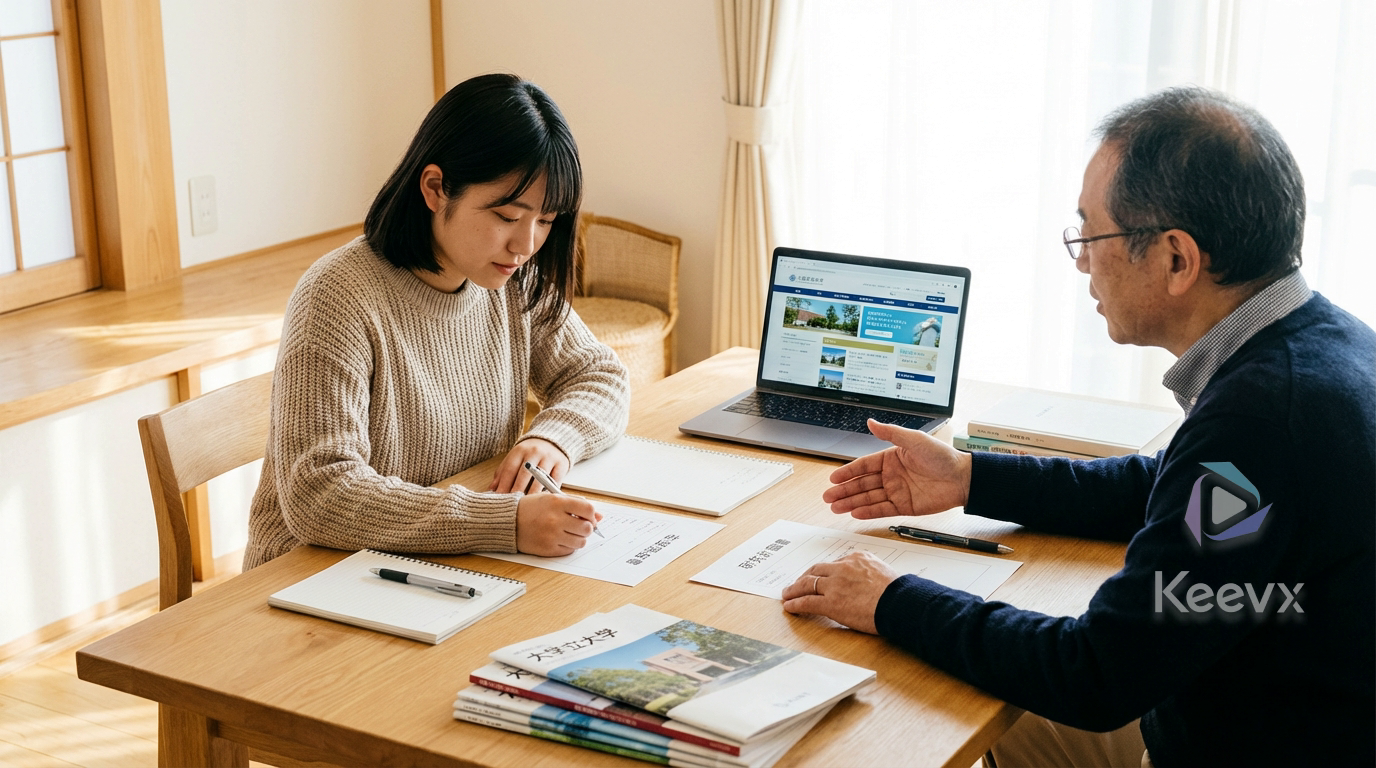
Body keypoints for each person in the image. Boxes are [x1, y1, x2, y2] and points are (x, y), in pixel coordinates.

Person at [781, 86, 1375, 767]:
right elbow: (1168, 486)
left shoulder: (1262, 420)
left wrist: (890, 599)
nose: (1083, 261)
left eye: (1092, 235)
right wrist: (970, 478)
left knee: (913, 713)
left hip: (1239, 739)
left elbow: (1095, 673)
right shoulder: (1325, 347)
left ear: (1177, 258)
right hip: (1268, 708)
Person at [244, 74, 630, 570]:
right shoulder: (338, 295)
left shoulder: (510, 278)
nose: (527, 244)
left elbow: (599, 374)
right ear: (434, 188)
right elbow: (321, 494)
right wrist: (505, 522)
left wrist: (554, 438)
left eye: (547, 219)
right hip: (314, 580)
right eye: (508, 216)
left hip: (443, 564)